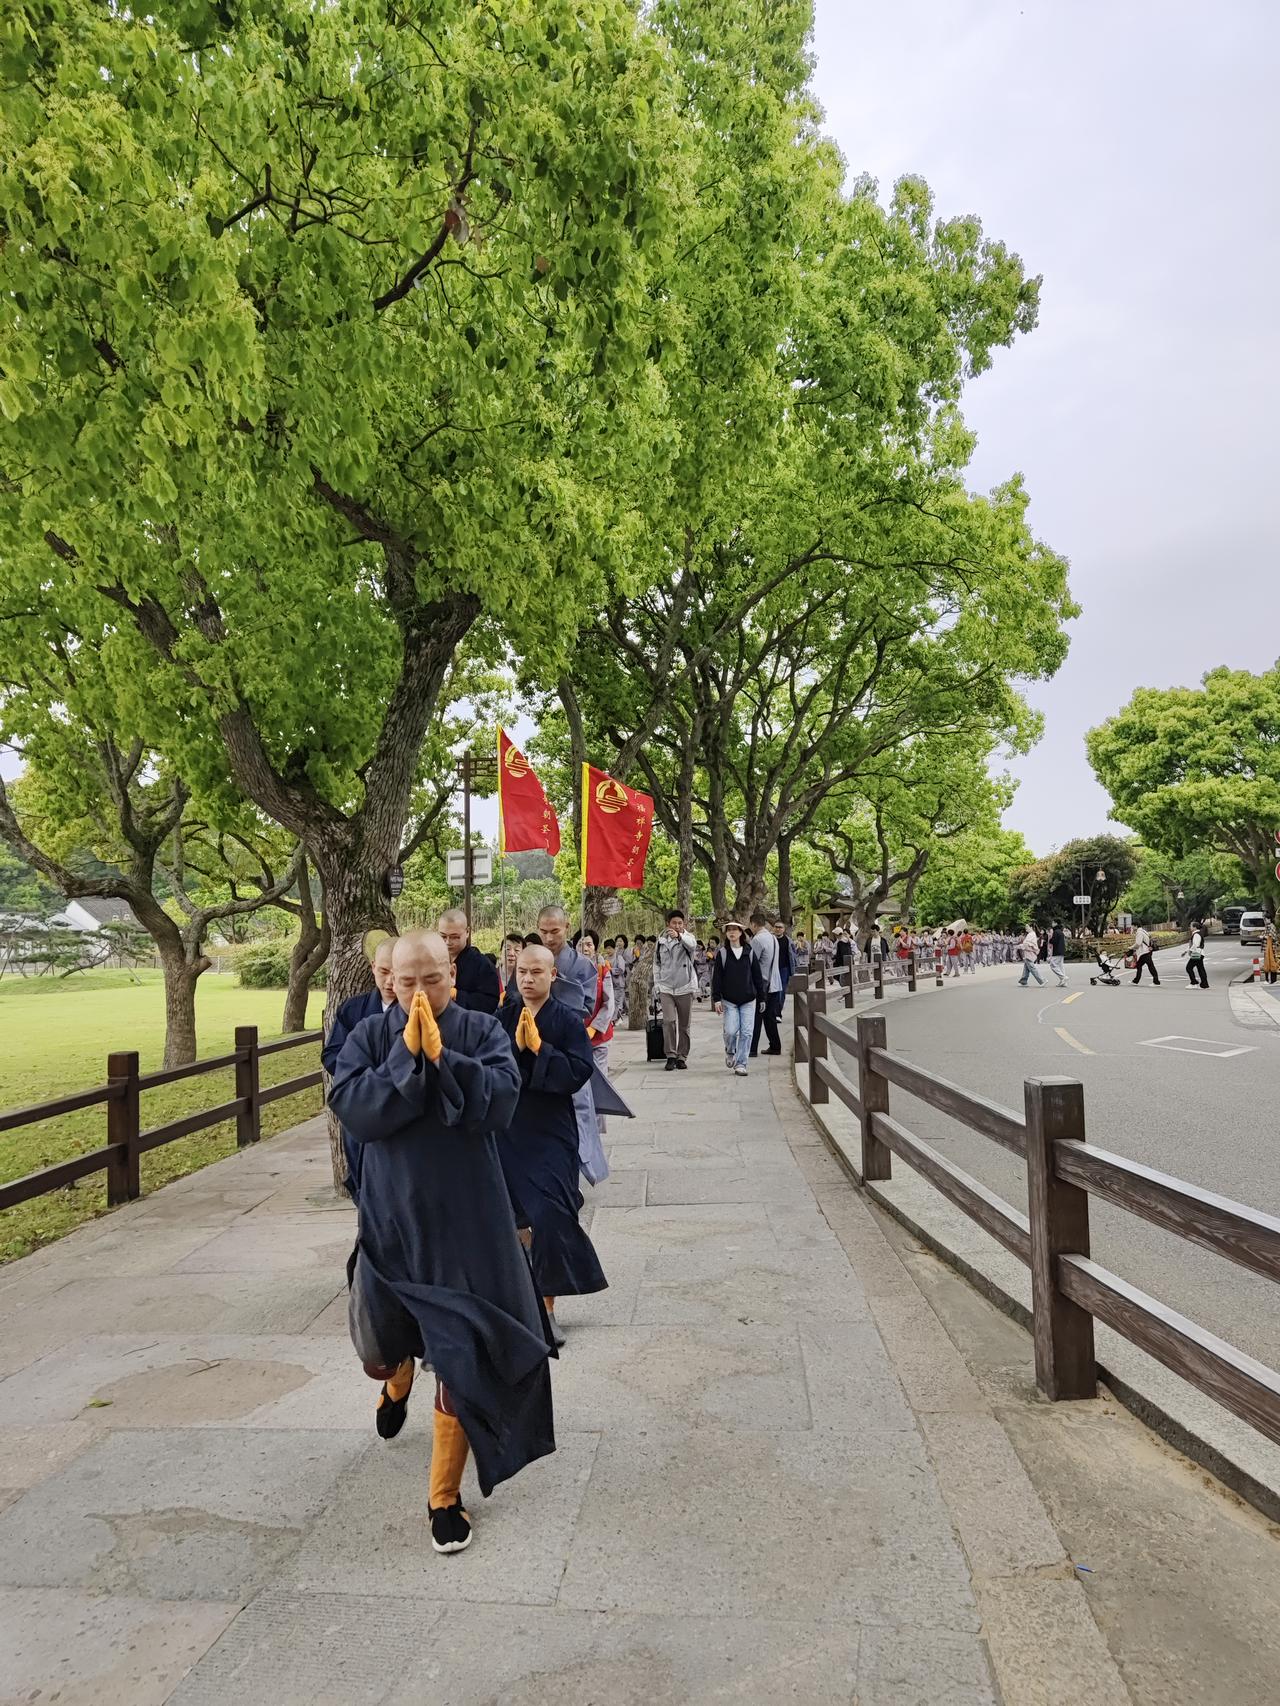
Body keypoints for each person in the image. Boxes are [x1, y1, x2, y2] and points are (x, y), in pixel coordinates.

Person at [329, 930, 551, 1557]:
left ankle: (444, 1496)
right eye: (406, 982)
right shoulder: (370, 1037)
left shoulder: (480, 1031)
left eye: (431, 979)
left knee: (462, 1357)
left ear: (451, 975)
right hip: (394, 1223)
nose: (420, 992)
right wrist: (405, 1059)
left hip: (468, 1225)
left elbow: (501, 1103)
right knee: (379, 1346)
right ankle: (394, 1378)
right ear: (388, 982)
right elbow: (355, 1111)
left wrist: (444, 1060)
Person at [498, 944, 608, 1349]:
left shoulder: (565, 1020)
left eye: (536, 972)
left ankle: (547, 1309)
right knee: (517, 1220)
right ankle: (523, 1301)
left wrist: (541, 1050)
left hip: (551, 1132)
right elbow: (491, 1065)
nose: (527, 979)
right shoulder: (504, 1016)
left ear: (552, 976)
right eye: (521, 971)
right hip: (510, 1129)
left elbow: (579, 1071)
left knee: (552, 1215)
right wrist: (515, 1047)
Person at [321, 934, 397, 1203]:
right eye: (383, 971)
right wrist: (365, 1075)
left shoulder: (416, 1011)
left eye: (396, 973)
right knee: (365, 1187)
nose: (389, 981)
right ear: (373, 967)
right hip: (361, 1106)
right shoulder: (353, 1010)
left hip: (398, 1112)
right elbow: (332, 1055)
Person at [537, 905, 607, 1181]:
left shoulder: (582, 965)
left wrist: (557, 985)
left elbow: (586, 1006)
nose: (549, 938)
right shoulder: (533, 959)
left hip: (568, 1046)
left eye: (555, 931)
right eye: (543, 931)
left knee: (577, 1110)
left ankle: (577, 1170)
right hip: (536, 1045)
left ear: (567, 926)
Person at [713, 920, 767, 1076]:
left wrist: (762, 997)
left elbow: (757, 977)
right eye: (729, 930)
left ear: (741, 933)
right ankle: (730, 1051)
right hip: (729, 1000)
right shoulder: (723, 954)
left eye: (735, 930)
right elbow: (716, 978)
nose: (732, 932)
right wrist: (717, 999)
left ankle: (741, 1063)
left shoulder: (749, 952)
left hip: (748, 999)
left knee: (747, 1032)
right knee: (730, 1031)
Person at [653, 909, 699, 1070]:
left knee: (684, 1025)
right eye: (674, 923)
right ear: (668, 924)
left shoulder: (688, 938)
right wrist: (657, 984)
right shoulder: (660, 941)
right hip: (666, 987)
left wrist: (679, 937)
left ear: (684, 924)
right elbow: (656, 964)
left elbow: (692, 946)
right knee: (669, 1021)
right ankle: (671, 1055)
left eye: (680, 923)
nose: (677, 926)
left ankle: (682, 1056)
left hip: (685, 986)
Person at [438, 908, 502, 1014]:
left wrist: (457, 995)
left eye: (455, 937)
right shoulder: (433, 961)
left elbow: (490, 1002)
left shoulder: (482, 964)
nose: (448, 942)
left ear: (467, 932)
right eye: (443, 936)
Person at [749, 909, 783, 1057]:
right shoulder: (773, 938)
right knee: (770, 1017)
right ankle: (775, 1045)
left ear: (753, 924)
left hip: (762, 984)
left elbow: (751, 962)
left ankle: (752, 1048)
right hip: (775, 982)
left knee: (756, 1017)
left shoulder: (757, 940)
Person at [500, 932, 525, 1005]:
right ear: (500, 952)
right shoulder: (490, 974)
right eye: (507, 949)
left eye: (517, 950)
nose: (511, 954)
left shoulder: (527, 978)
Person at [1184, 921, 1209, 989]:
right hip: (1200, 953)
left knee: (1188, 968)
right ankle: (1204, 984)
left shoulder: (1196, 934)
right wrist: (1186, 951)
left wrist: (1189, 951)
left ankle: (1193, 983)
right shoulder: (1198, 933)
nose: (1190, 927)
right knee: (1201, 969)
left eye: (1191, 926)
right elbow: (1193, 945)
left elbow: (1196, 945)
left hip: (1197, 953)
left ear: (1194, 927)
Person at [1048, 921, 1068, 989]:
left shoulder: (1056, 931)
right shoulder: (1060, 931)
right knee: (1061, 966)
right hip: (1061, 951)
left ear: (1056, 923)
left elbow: (1054, 941)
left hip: (1057, 951)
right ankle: (1063, 982)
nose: (1052, 923)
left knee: (1052, 965)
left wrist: (1050, 939)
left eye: (1053, 922)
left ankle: (1063, 977)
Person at [1262, 920, 1279, 985]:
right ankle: (1269, 980)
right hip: (1267, 948)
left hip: (1271, 948)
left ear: (1268, 919)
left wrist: (1263, 937)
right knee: (1268, 963)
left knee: (1271, 963)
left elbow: (1272, 936)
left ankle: (1272, 980)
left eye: (1265, 919)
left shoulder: (1271, 926)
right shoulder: (1267, 926)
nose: (1265, 920)